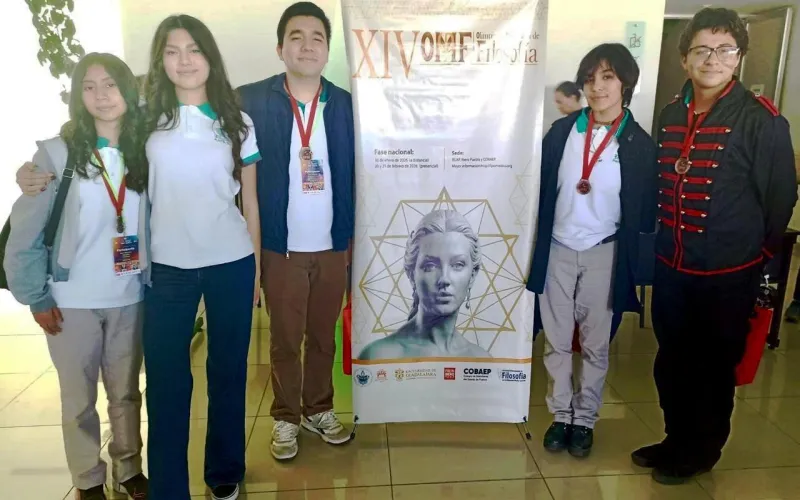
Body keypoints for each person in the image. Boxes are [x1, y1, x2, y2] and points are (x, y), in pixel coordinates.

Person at [632, 7, 797, 485]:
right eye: (702, 49)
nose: (713, 59)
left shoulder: (761, 119)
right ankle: (674, 439)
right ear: (684, 58)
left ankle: (700, 451)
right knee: (671, 360)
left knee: (712, 368)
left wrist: (754, 258)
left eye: (725, 49)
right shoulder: (670, 114)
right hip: (672, 263)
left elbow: (780, 199)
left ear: (739, 57)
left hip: (728, 272)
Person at [4, 53, 149, 500]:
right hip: (70, 301)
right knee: (78, 399)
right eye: (89, 86)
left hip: (129, 295)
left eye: (111, 84)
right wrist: (35, 296)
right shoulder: (57, 154)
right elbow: (25, 231)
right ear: (78, 95)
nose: (101, 96)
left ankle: (128, 468)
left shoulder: (145, 150)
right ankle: (87, 478)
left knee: (126, 394)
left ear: (129, 91)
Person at [140, 15, 261, 500]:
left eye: (194, 49)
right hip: (166, 267)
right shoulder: (145, 121)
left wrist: (256, 271)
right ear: (160, 61)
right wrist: (35, 170)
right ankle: (169, 489)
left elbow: (250, 201)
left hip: (231, 261)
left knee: (228, 371)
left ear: (210, 56)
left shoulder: (238, 122)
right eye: (172, 52)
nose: (184, 60)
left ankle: (224, 470)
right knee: (166, 381)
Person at [526, 43, 657, 459]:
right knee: (556, 341)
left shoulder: (638, 143)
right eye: (590, 78)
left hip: (605, 253)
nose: (597, 87)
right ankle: (560, 415)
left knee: (597, 344)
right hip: (558, 249)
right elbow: (537, 188)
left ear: (625, 83)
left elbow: (646, 209)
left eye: (607, 77)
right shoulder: (562, 132)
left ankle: (585, 419)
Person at [236, 1, 354, 462]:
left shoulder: (346, 105)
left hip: (332, 245)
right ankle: (285, 416)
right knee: (285, 339)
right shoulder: (250, 101)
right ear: (280, 48)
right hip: (280, 246)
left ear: (327, 50)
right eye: (296, 37)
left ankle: (318, 409)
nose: (307, 46)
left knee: (323, 336)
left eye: (317, 37)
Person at [358, 209, 492, 360]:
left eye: (457, 265)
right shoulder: (379, 356)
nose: (444, 279)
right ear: (411, 274)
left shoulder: (481, 359)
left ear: (472, 275)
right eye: (430, 266)